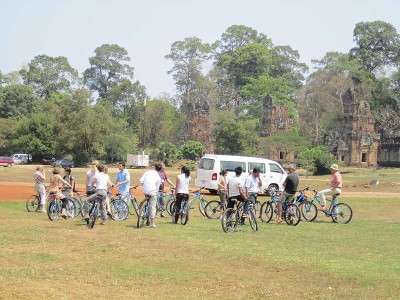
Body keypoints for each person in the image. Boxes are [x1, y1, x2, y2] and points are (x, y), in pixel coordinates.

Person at [140, 163, 162, 228]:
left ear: (154, 167)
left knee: (148, 197)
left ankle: (143, 204)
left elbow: (141, 181)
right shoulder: (158, 177)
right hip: (152, 191)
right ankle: (152, 223)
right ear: (160, 170)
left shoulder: (147, 172)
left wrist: (145, 185)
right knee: (153, 207)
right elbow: (157, 188)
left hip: (145, 190)